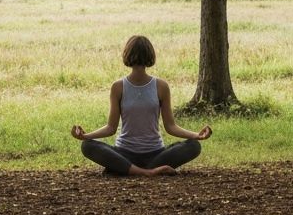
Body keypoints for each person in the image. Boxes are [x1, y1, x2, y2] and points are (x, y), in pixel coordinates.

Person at [71, 34, 212, 177]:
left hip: (156, 154)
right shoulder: (118, 87)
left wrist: (197, 136)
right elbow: (111, 128)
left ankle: (125, 169)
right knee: (87, 146)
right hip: (124, 153)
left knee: (194, 146)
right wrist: (86, 136)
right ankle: (148, 172)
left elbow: (170, 126)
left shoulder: (161, 86)